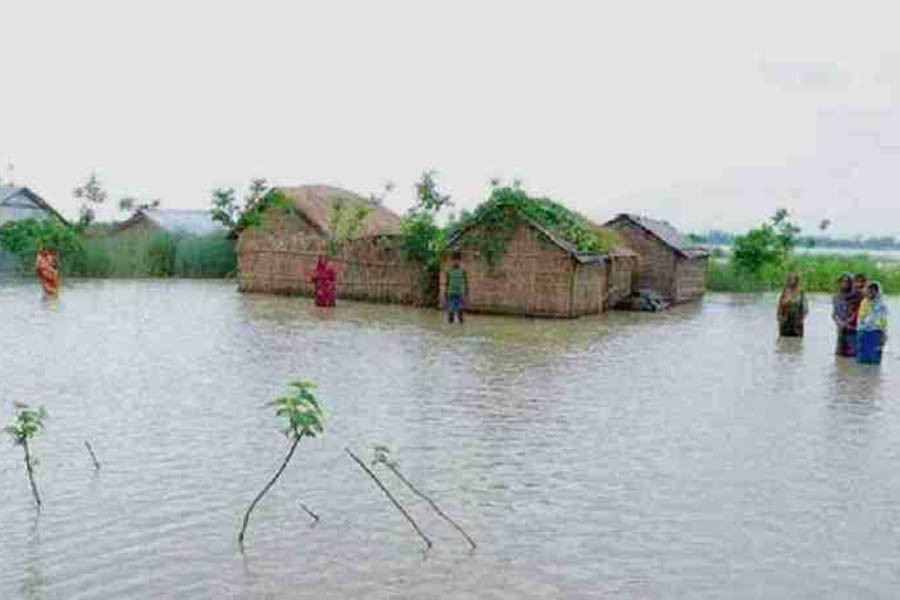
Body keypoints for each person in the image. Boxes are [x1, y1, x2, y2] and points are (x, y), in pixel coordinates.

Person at [856, 281, 888, 364]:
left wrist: (883, 335)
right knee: (861, 361)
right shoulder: (863, 302)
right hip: (863, 333)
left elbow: (883, 322)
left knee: (875, 361)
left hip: (876, 334)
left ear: (877, 291)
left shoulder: (881, 305)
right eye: (869, 289)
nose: (870, 292)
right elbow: (860, 320)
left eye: (873, 290)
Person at [832, 273, 858, 356]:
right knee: (840, 355)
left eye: (847, 281)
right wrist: (839, 322)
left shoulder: (857, 296)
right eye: (842, 281)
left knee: (852, 355)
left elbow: (858, 311)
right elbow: (834, 313)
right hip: (841, 328)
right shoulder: (836, 297)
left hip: (853, 329)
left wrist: (849, 320)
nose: (844, 284)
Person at [777, 272, 808, 337]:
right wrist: (779, 317)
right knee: (783, 341)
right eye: (790, 279)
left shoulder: (800, 291)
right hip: (785, 320)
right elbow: (780, 305)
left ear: (797, 280)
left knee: (797, 340)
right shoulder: (785, 290)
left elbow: (805, 307)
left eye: (793, 279)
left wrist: (802, 318)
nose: (792, 281)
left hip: (797, 321)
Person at [445, 253, 468, 324]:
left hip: (460, 293)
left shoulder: (462, 271)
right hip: (451, 293)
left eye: (457, 260)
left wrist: (466, 292)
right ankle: (450, 326)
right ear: (452, 261)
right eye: (454, 260)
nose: (456, 262)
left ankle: (461, 325)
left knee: (460, 310)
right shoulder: (449, 271)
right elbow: (447, 283)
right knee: (450, 311)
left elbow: (466, 282)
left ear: (460, 261)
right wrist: (445, 293)